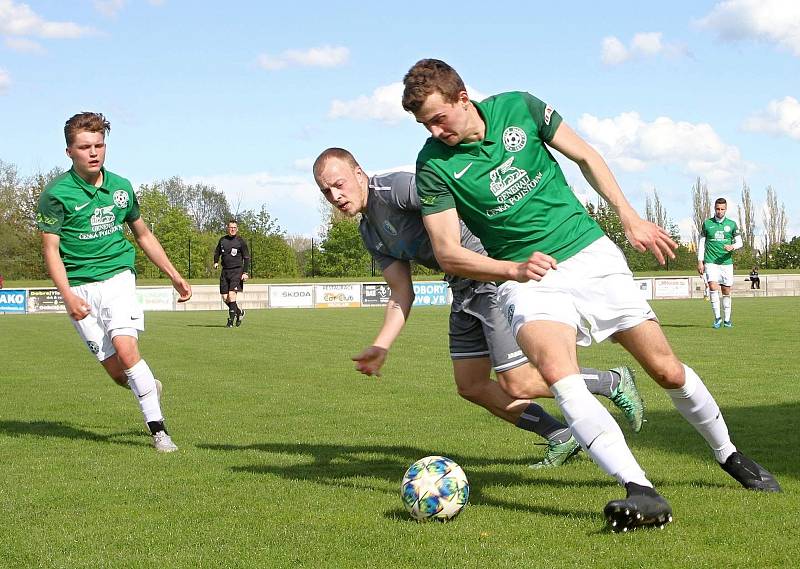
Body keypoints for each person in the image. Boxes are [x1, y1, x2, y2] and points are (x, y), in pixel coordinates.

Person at [401, 59, 780, 531]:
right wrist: (511, 269)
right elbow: (447, 252)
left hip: (589, 253)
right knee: (561, 377)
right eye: (424, 124)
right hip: (529, 280)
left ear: (463, 97)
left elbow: (586, 156)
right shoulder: (432, 164)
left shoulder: (520, 107)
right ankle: (640, 490)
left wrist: (628, 215)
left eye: (439, 118)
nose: (435, 131)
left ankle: (728, 454)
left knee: (666, 370)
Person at [313, 147, 646, 468]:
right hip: (461, 288)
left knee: (518, 382)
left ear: (359, 173)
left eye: (338, 184)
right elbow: (402, 292)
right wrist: (380, 345)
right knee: (471, 385)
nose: (335, 196)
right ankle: (559, 434)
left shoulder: (394, 188)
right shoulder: (370, 233)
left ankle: (610, 381)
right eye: (326, 191)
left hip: (490, 274)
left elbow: (455, 197)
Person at [36, 112, 191, 452]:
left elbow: (144, 235)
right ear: (69, 152)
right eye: (84, 147)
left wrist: (174, 275)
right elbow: (51, 250)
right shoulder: (55, 194)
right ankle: (148, 385)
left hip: (119, 277)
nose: (93, 152)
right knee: (119, 374)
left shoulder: (121, 187)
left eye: (99, 145)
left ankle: (159, 432)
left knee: (126, 348)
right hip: (78, 287)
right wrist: (66, 296)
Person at [697, 198, 742, 328]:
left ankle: (727, 320)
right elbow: (701, 243)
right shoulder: (707, 224)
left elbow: (740, 242)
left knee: (726, 290)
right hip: (711, 261)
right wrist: (700, 261)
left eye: (722, 209)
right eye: (718, 209)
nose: (720, 211)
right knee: (712, 286)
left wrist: (732, 246)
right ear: (714, 208)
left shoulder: (732, 224)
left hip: (726, 262)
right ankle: (717, 318)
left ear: (726, 209)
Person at [213, 220, 250, 327]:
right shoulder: (222, 240)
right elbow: (217, 252)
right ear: (227, 228)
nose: (232, 229)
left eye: (234, 227)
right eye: (231, 227)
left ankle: (230, 321)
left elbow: (246, 258)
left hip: (237, 271)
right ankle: (239, 312)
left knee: (232, 295)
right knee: (225, 298)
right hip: (225, 271)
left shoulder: (240, 241)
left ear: (237, 229)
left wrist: (245, 272)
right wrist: (215, 262)